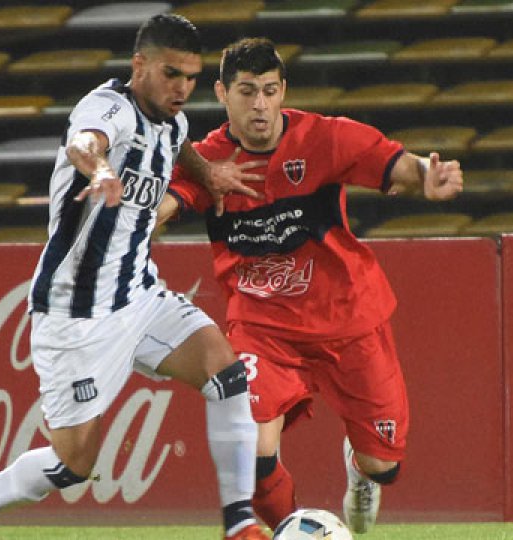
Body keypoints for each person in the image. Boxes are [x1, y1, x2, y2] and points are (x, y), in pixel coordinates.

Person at [0, 15, 269, 540]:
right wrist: (98, 170)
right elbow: (85, 142)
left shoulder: (173, 120)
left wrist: (209, 174)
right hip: (76, 314)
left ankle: (240, 526)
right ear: (139, 65)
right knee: (74, 463)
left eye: (190, 76)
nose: (182, 88)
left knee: (227, 374)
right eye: (171, 74)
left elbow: (178, 142)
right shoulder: (108, 108)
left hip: (139, 295)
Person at [158, 37, 464, 534]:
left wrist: (428, 176)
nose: (260, 105)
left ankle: (359, 472)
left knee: (384, 464)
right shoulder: (208, 162)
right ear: (221, 92)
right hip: (263, 326)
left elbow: (397, 165)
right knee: (250, 447)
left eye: (270, 91)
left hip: (349, 319)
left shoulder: (325, 139)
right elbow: (166, 204)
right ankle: (292, 529)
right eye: (247, 91)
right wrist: (136, 219)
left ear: (284, 91)